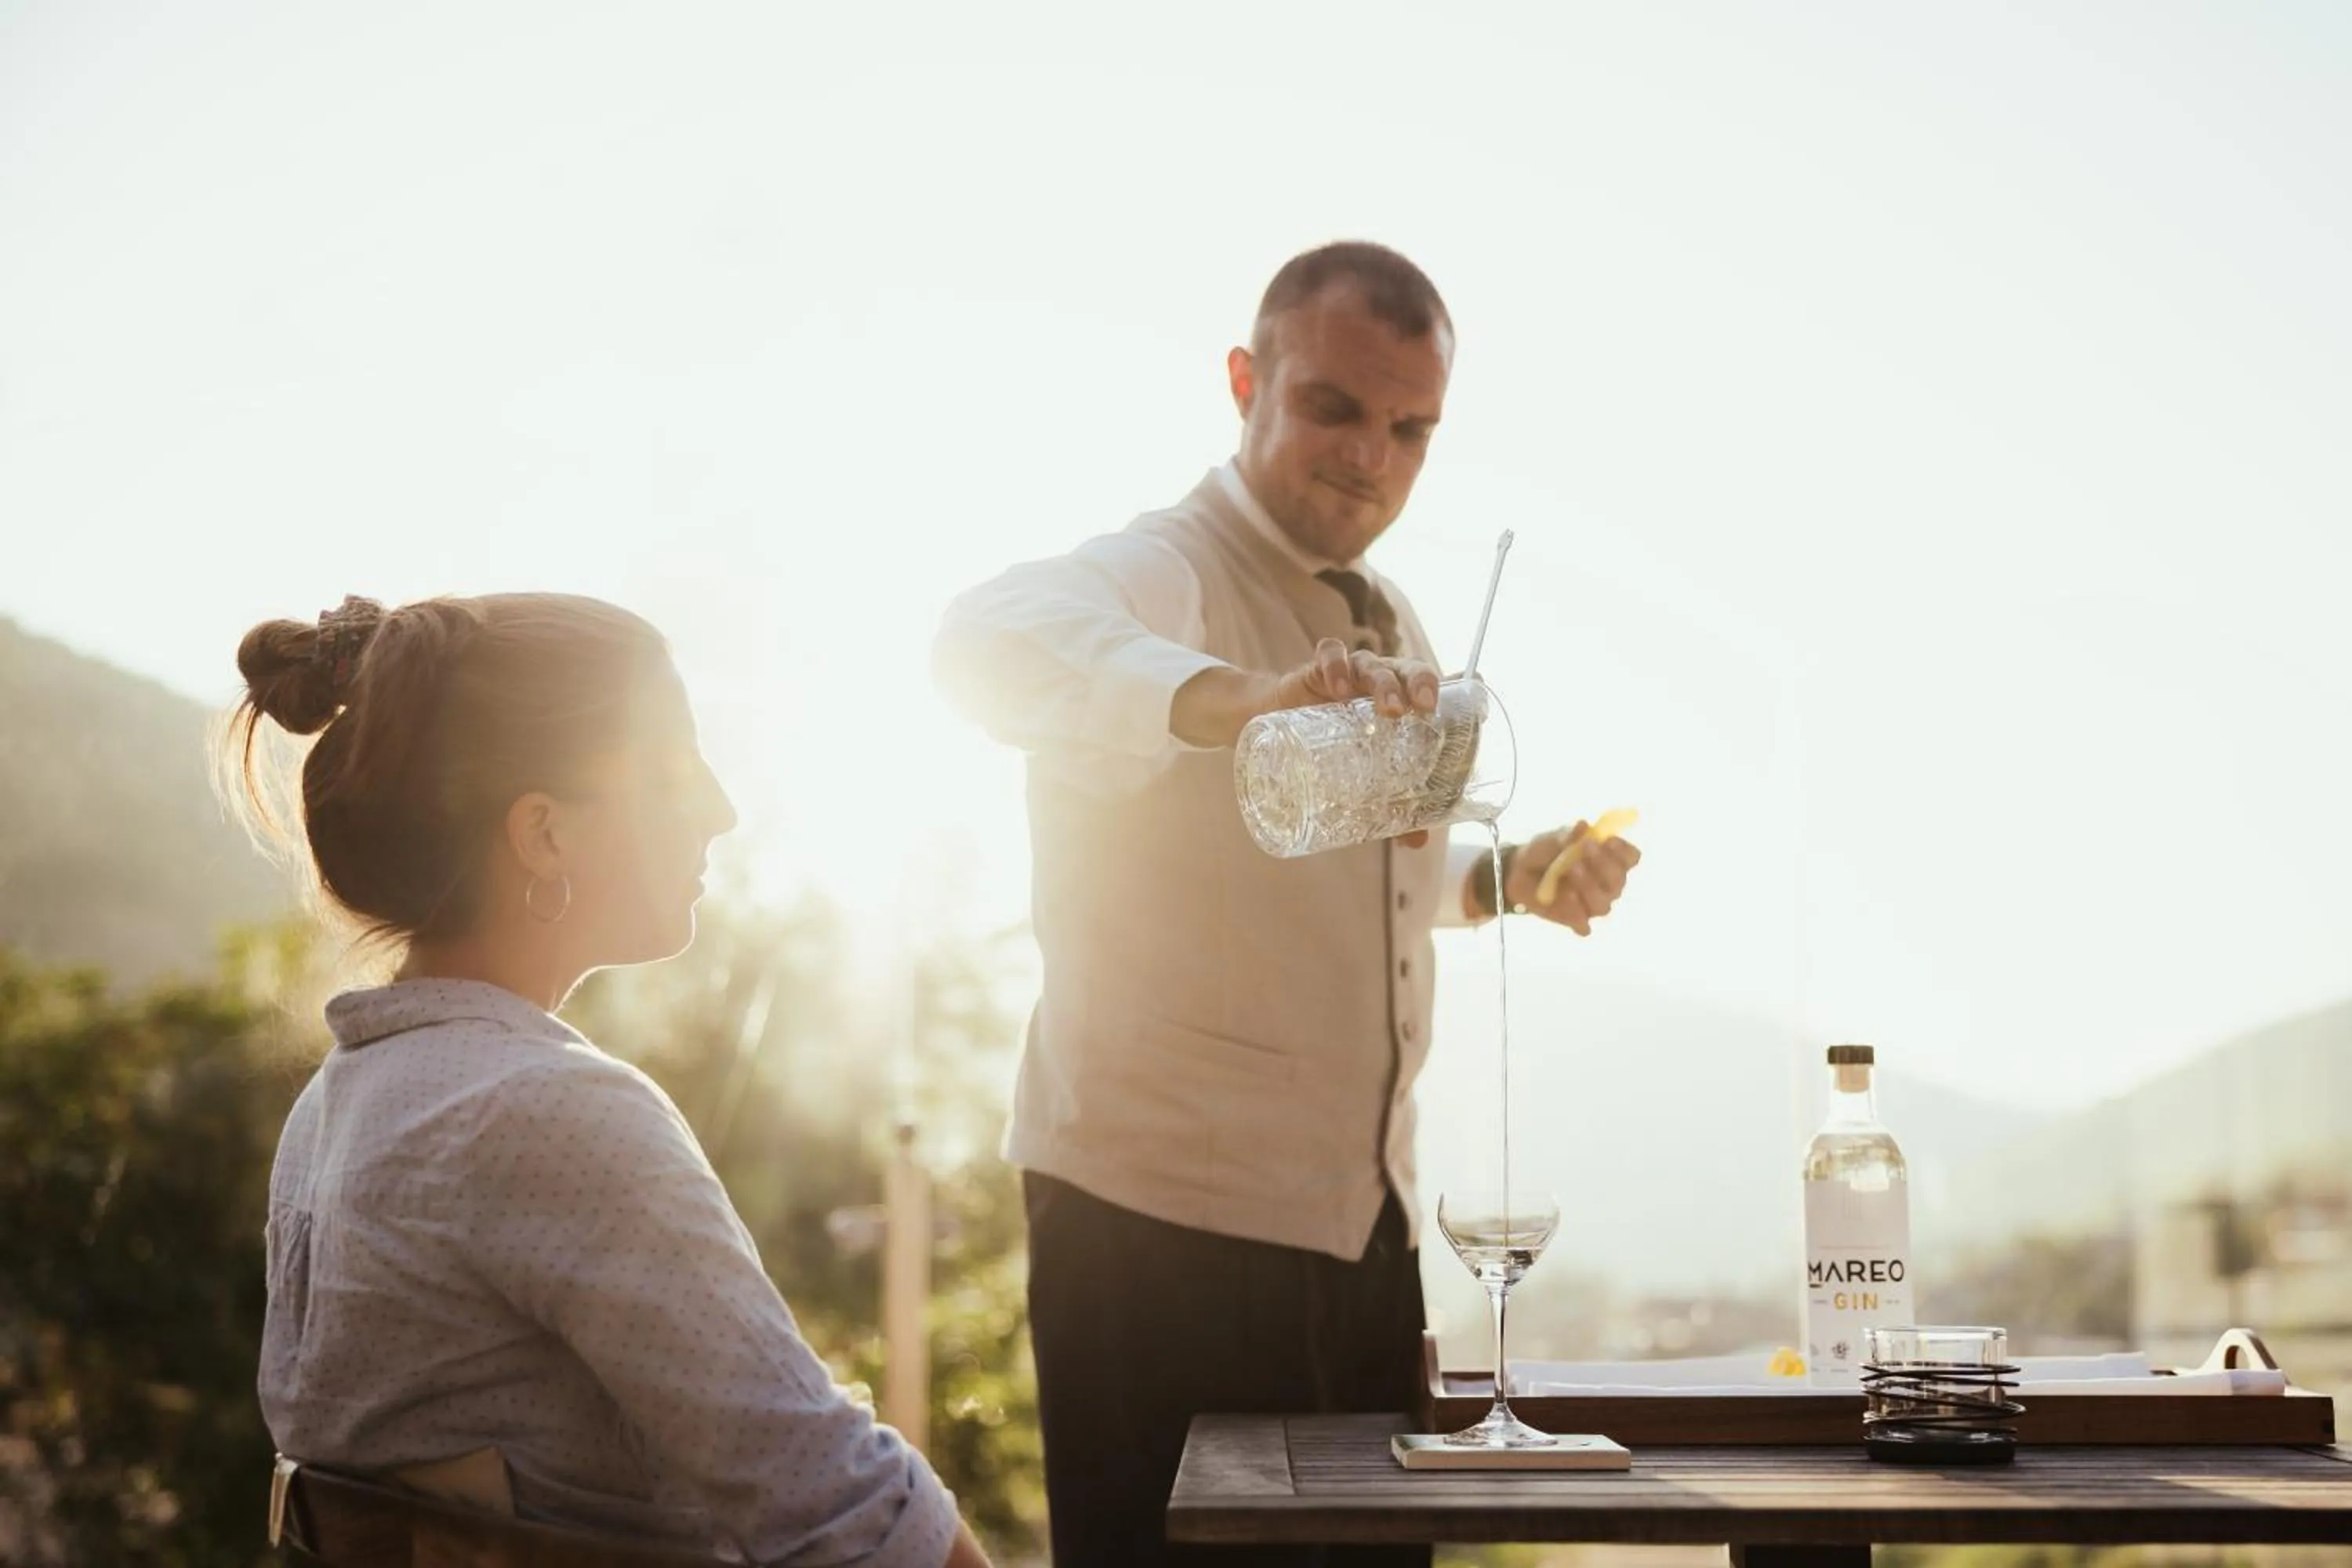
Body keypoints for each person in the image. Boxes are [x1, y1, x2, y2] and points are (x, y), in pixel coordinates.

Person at [933, 241, 1642, 1566]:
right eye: (1334, 407)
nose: (1371, 456)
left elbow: (1389, 886)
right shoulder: (1165, 567)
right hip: (1156, 1234)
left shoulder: (1397, 622)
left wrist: (1515, 878)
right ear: (1247, 381)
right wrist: (1243, 699)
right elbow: (982, 639)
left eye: (1410, 429)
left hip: (1363, 1237)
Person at [231, 591, 990, 1567]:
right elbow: (838, 1503)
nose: (720, 808)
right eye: (672, 764)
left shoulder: (341, 1103)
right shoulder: (542, 1111)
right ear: (544, 832)